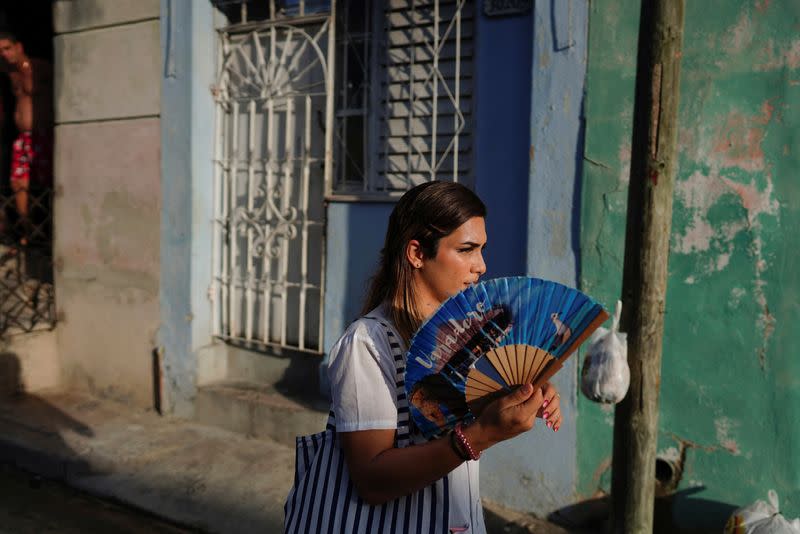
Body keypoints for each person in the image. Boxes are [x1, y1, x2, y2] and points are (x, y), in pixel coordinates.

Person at [326, 180, 563, 533]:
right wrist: (481, 435)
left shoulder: (465, 339)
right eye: (466, 249)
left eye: (482, 249)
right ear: (417, 253)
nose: (481, 265)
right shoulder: (367, 344)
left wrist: (525, 394)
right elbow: (371, 480)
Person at [0, 30, 53, 247]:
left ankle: (49, 231)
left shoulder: (39, 67)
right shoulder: (10, 72)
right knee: (17, 183)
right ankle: (28, 229)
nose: (3, 54)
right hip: (23, 138)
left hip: (43, 135)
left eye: (7, 48)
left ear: (19, 46)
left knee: (45, 182)